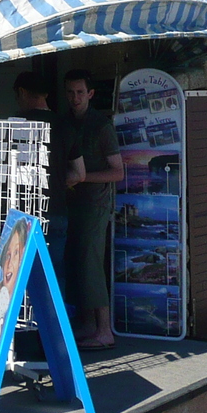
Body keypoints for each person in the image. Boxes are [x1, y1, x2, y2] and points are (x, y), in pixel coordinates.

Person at [56, 69, 124, 349]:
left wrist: (84, 178)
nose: (75, 98)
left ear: (91, 94)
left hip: (96, 204)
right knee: (75, 262)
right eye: (70, 92)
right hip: (72, 203)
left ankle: (104, 330)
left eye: (80, 92)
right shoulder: (65, 122)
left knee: (91, 264)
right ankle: (87, 324)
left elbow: (117, 172)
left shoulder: (100, 126)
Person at [12, 72, 74, 295]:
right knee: (54, 274)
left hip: (23, 212)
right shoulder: (64, 125)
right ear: (46, 94)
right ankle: (55, 328)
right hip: (56, 208)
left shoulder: (15, 125)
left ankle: (25, 327)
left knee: (19, 275)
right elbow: (80, 172)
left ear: (21, 93)